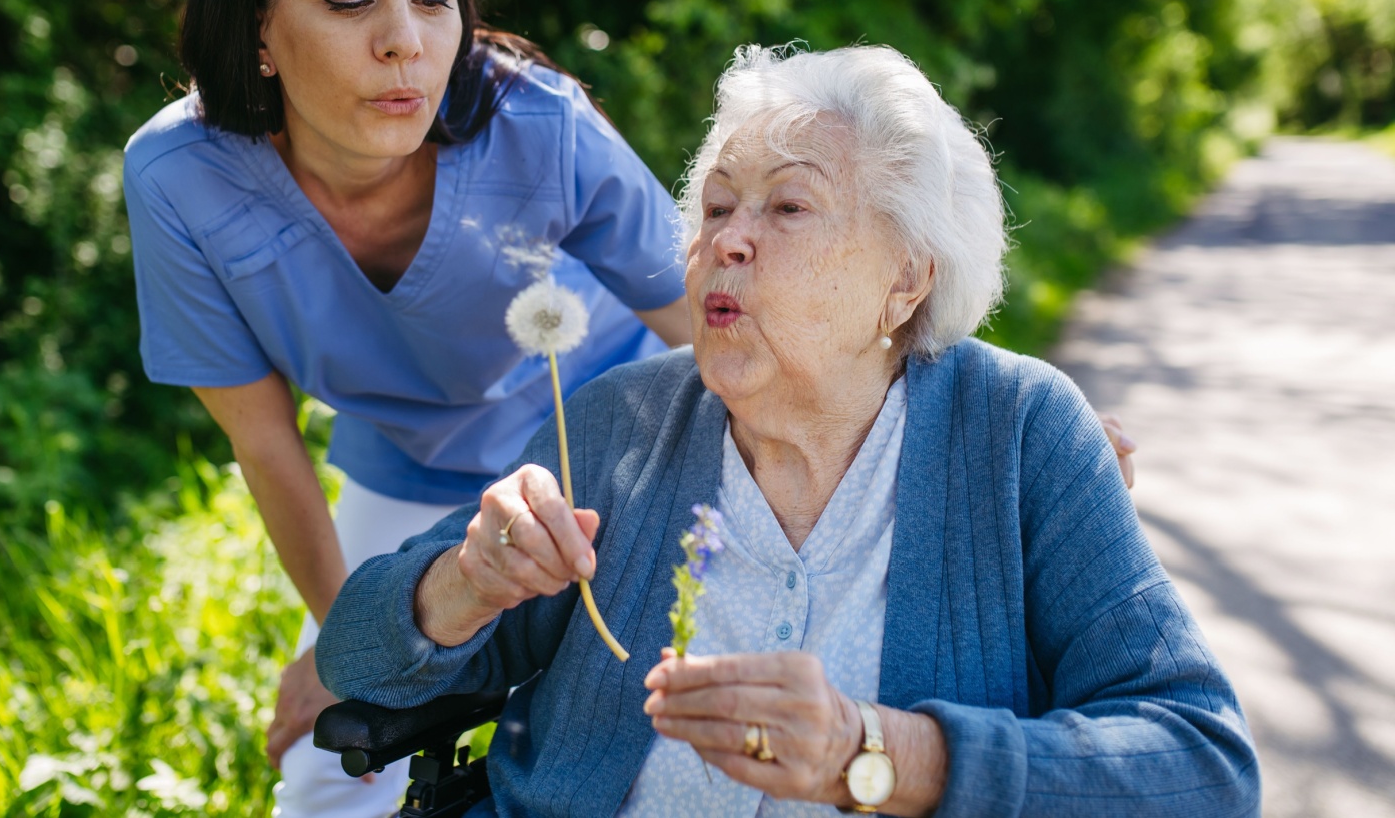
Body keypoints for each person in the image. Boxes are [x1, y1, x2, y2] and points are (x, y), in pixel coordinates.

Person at [319, 44, 1257, 817]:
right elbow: (352, 653)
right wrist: (463, 584)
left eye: (790, 207)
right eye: (718, 206)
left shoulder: (1022, 433)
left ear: (907, 279)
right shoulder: (616, 422)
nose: (729, 238)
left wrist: (882, 755)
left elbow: (1203, 764)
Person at [121, 0, 693, 817]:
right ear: (259, 30)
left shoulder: (543, 125)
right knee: (324, 765)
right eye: (350, 1)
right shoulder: (178, 178)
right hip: (408, 469)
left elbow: (719, 335)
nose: (405, 40)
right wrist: (351, 635)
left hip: (606, 446)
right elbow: (265, 439)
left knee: (612, 738)